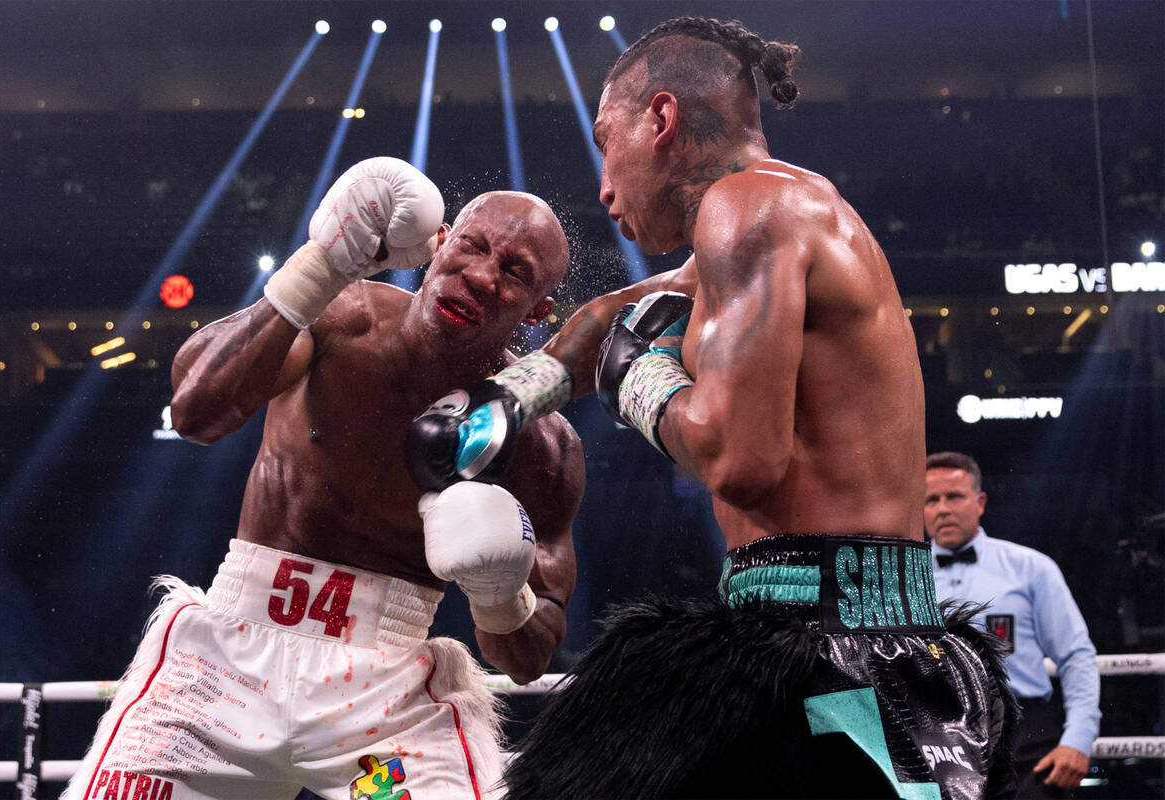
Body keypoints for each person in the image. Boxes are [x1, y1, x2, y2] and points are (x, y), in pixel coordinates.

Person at [406, 16, 1017, 800]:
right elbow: (601, 327)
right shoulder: (764, 218)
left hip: (840, 658)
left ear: (660, 120)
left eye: (605, 140)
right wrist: (498, 405)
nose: (603, 185)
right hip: (811, 638)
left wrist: (640, 377)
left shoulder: (748, 209)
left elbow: (739, 457)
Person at [61, 157, 585, 800]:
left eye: (513, 273)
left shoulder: (541, 445)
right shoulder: (343, 316)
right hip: (222, 683)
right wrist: (316, 270)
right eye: (473, 246)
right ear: (440, 240)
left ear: (539, 311)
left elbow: (529, 658)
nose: (480, 276)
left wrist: (502, 594)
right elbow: (195, 412)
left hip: (376, 723)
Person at [925, 451, 1101, 798]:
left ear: (980, 502)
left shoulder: (1031, 568)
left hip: (1026, 730)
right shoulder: (907, 577)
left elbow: (1076, 655)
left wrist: (1079, 738)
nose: (943, 508)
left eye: (954, 496)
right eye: (932, 500)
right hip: (937, 730)